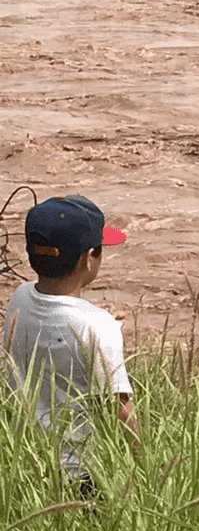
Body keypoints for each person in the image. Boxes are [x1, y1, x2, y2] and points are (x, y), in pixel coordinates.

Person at [2, 195, 136, 498]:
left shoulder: (19, 298)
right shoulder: (98, 327)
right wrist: (142, 464)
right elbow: (118, 410)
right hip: (83, 475)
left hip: (29, 463)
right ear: (89, 258)